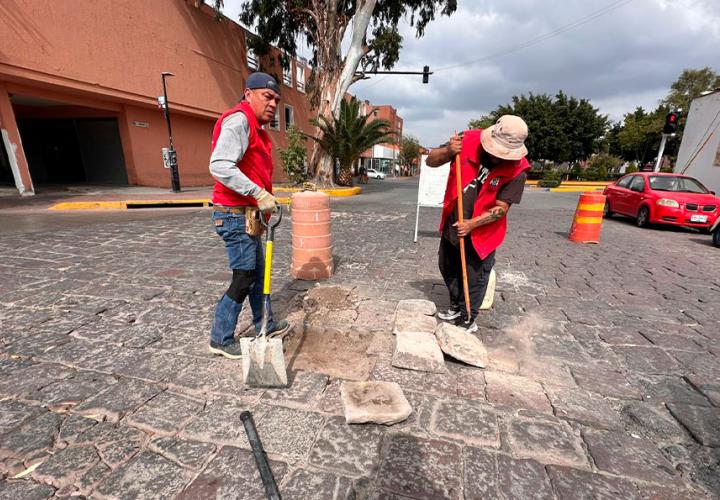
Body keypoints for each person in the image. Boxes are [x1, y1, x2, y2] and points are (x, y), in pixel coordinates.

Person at [207, 72, 290, 359]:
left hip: (248, 214)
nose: (273, 104)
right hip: (233, 214)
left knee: (258, 274)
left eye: (276, 100)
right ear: (248, 94)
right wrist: (258, 193)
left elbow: (251, 169)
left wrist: (264, 200)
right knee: (244, 277)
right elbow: (220, 165)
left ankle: (264, 324)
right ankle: (219, 338)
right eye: (267, 97)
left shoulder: (256, 128)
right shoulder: (239, 121)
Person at [425, 115, 531, 333]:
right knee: (447, 266)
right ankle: (456, 305)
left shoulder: (518, 170)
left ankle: (468, 318)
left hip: (483, 231)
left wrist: (472, 224)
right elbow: (430, 161)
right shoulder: (467, 140)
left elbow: (501, 208)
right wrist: (447, 152)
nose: (499, 157)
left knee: (475, 277)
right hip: (453, 220)